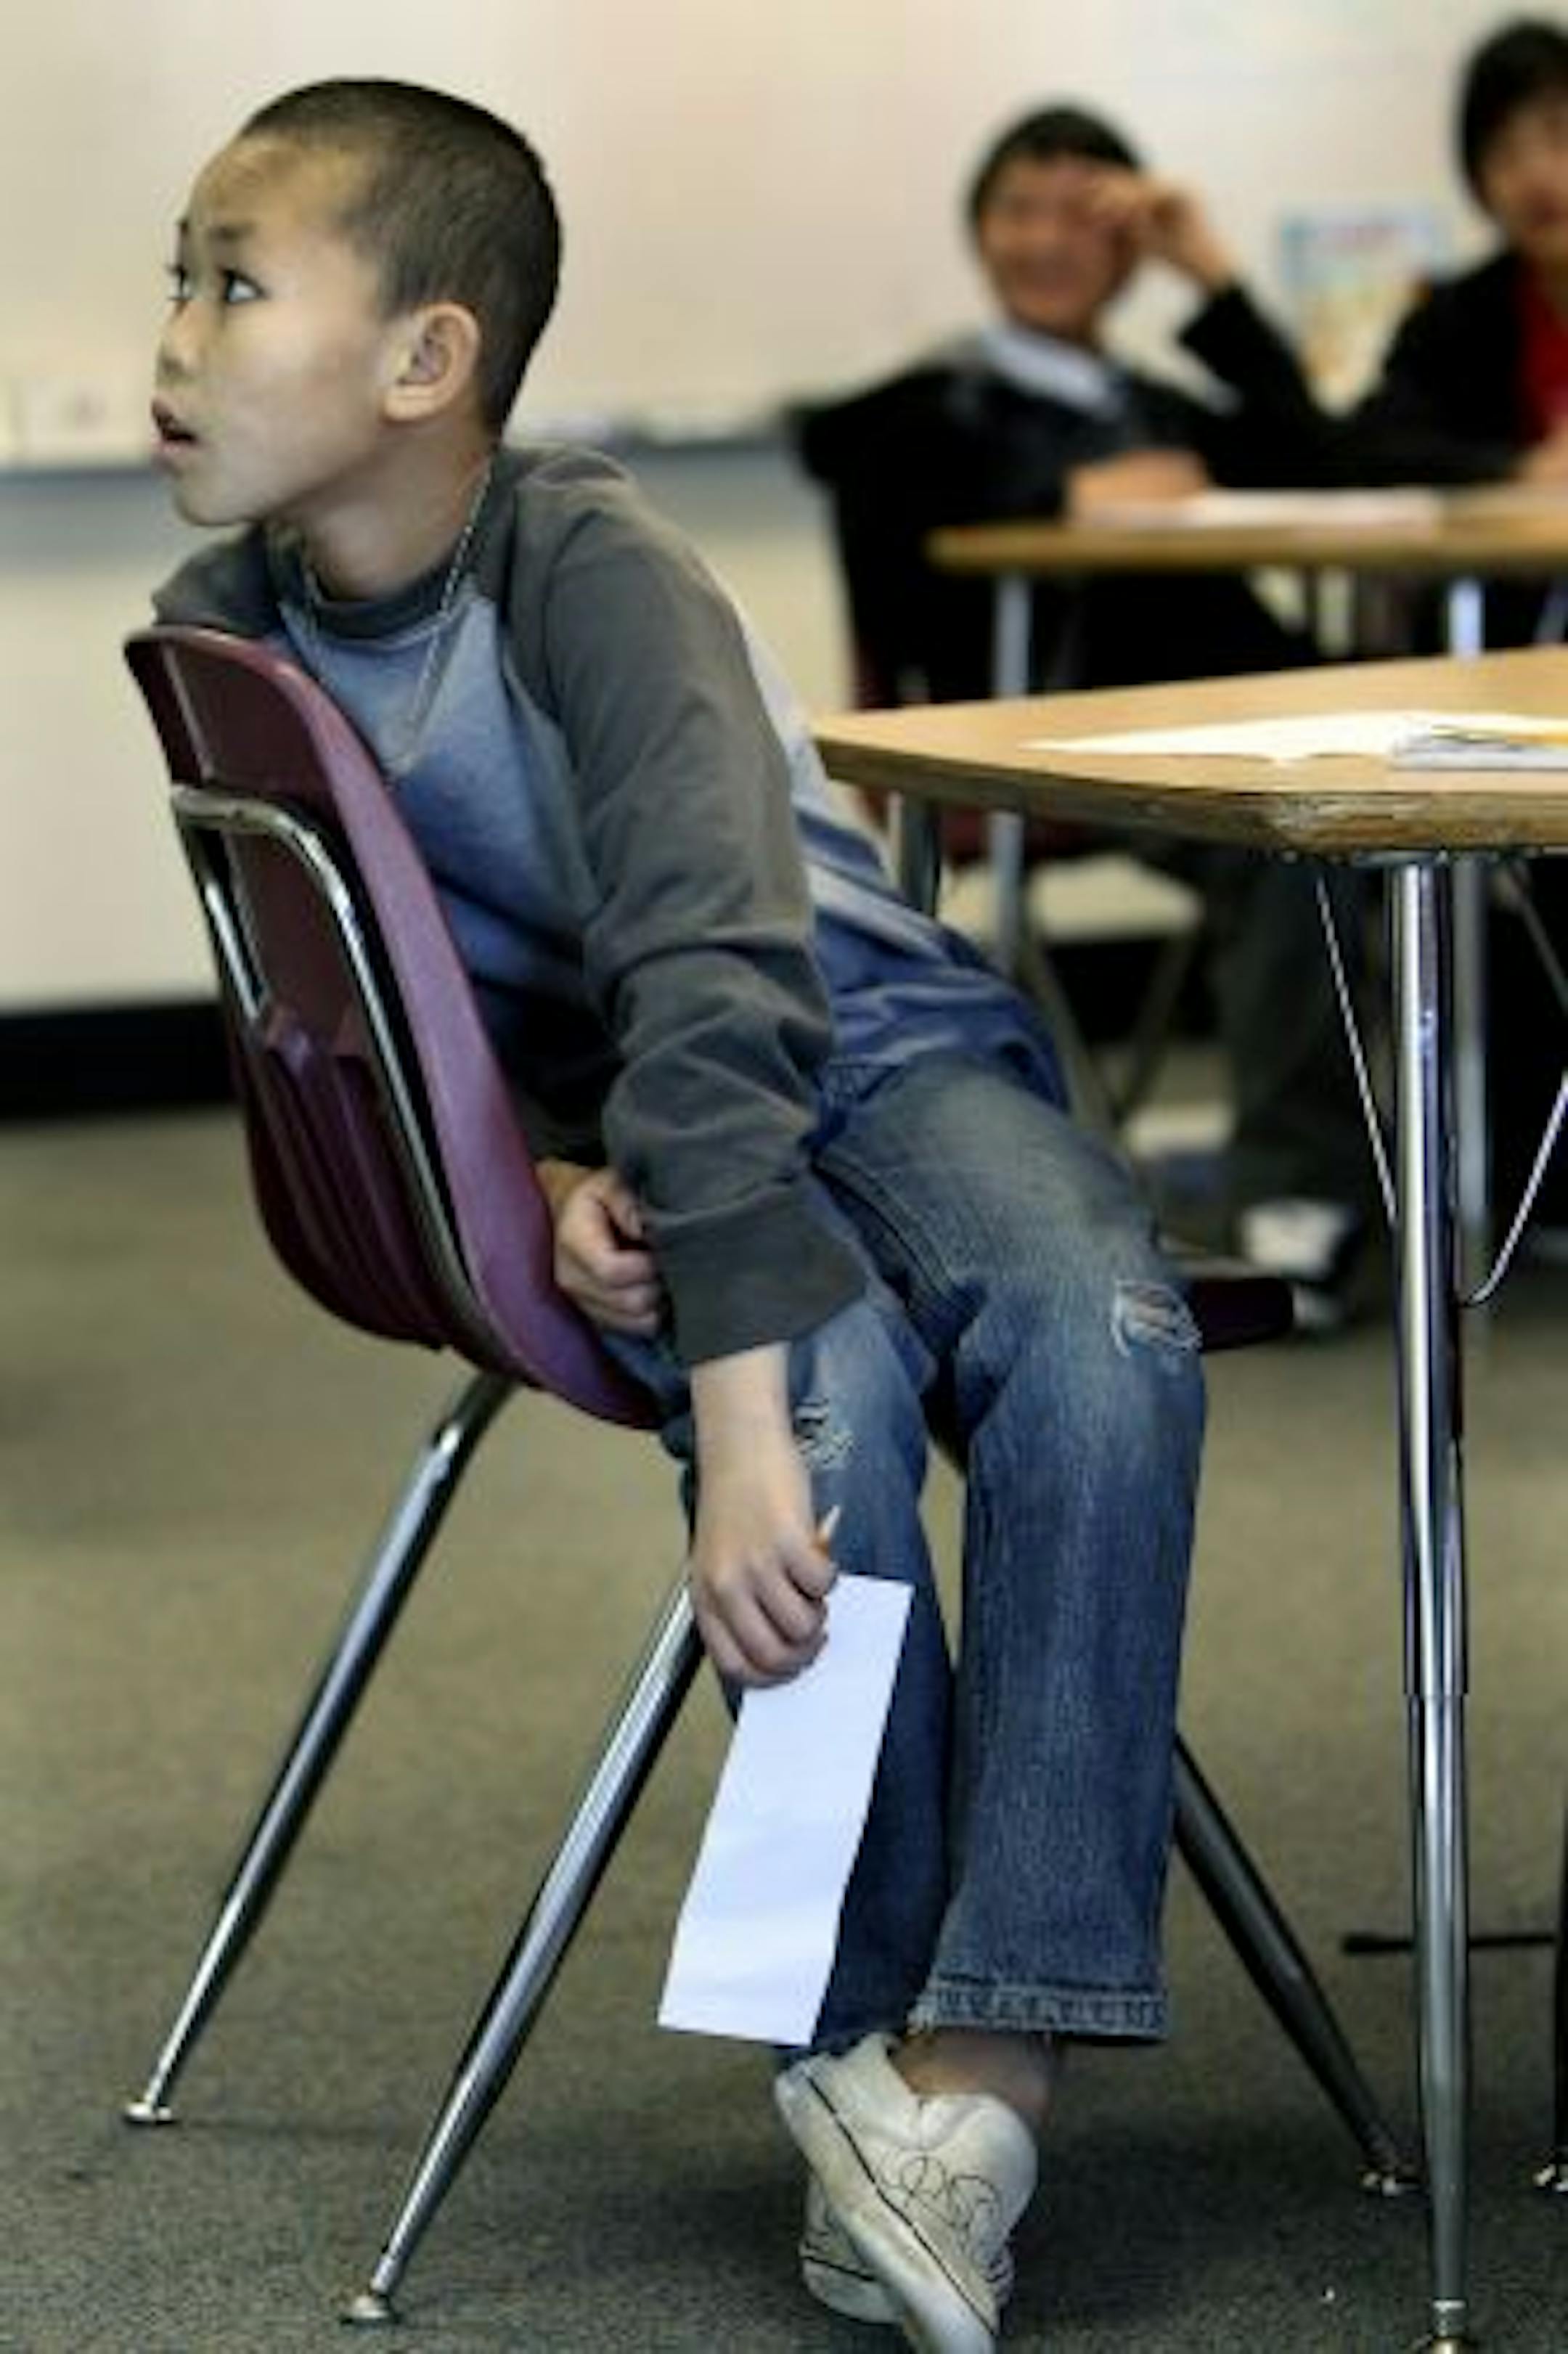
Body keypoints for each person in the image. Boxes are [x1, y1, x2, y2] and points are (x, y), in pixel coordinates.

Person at [147, 81, 1204, 2352]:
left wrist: (722, 1410)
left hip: (869, 1044)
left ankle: (979, 2067)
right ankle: (867, 2055)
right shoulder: (226, 628)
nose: (174, 339)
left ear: (426, 360)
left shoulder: (587, 566)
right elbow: (376, 1015)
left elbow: (718, 978)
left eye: (232, 286)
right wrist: (529, 1179)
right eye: (182, 280)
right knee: (826, 1434)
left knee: (1099, 1331)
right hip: (646, 1137)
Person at [798, 104, 1376, 1326]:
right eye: (1021, 209)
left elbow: (1333, 463)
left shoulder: (1157, 405)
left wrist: (1209, 273)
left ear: (1129, 248)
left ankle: (1481, 1175)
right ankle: (1297, 1204)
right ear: (979, 232)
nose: (1049, 240)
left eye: (1086, 215)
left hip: (1246, 723)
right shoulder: (918, 414)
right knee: (1296, 845)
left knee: (1449, 835)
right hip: (1053, 751)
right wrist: (1065, 492)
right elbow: (892, 571)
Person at [1345, 17, 1568, 1225]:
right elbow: (1374, 447)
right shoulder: (1463, 316)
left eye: (1561, 138)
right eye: (1506, 151)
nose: (1538, 176)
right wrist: (1519, 470)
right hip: (1500, 695)